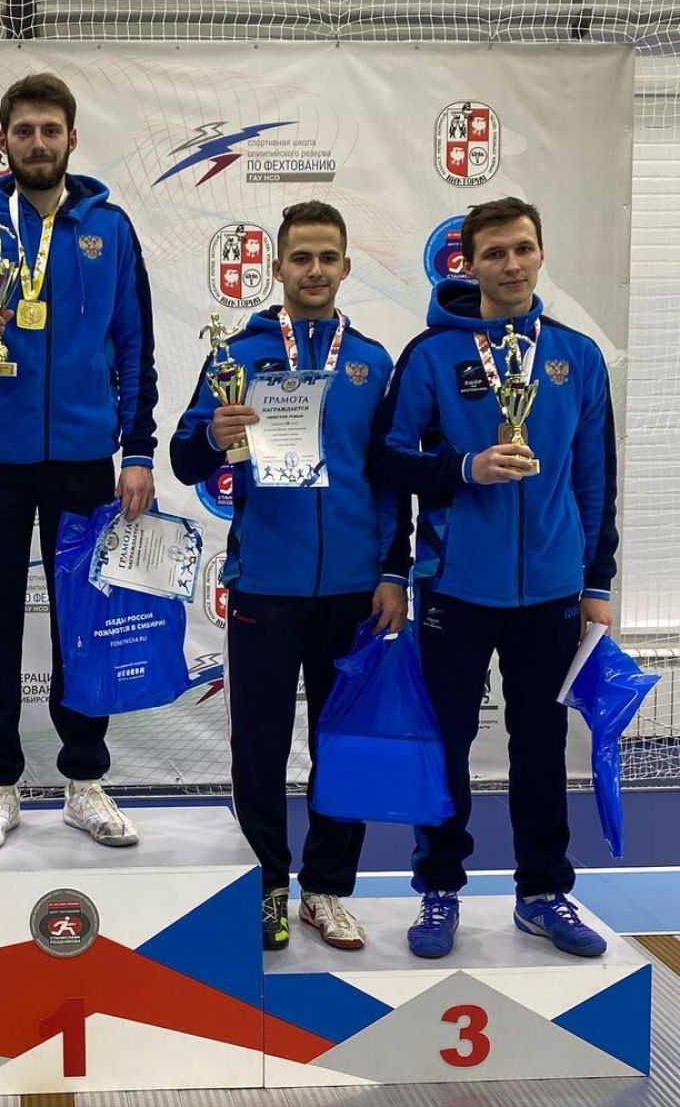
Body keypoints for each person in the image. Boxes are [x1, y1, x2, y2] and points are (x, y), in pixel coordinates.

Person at [0, 73, 157, 852]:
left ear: (72, 139)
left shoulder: (110, 230)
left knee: (83, 623)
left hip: (84, 459)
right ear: (4, 141)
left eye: (51, 130)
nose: (38, 142)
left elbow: (135, 346)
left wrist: (138, 450)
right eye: (24, 130)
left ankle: (84, 780)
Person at [369, 196, 617, 959]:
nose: (511, 265)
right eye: (495, 253)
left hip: (551, 589)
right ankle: (439, 889)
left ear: (540, 254)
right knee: (444, 742)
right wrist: (464, 469)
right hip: (454, 586)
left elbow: (594, 477)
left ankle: (542, 892)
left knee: (541, 743)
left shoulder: (575, 355)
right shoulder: (432, 356)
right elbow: (387, 462)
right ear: (468, 264)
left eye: (523, 249)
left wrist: (596, 583)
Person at [171, 201, 410, 951]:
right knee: (261, 745)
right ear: (276, 267)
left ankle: (327, 889)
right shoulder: (238, 352)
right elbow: (183, 457)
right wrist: (214, 434)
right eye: (300, 257)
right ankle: (268, 884)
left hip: (353, 589)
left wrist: (392, 570)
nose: (314, 270)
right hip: (265, 587)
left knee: (343, 743)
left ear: (346, 266)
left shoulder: (372, 362)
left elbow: (389, 479)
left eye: (327, 257)